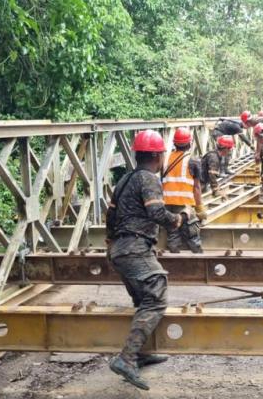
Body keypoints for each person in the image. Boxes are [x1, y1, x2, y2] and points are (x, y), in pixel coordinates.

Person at [106, 130, 187, 391]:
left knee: (141, 300)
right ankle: (126, 358)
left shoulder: (124, 179)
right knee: (156, 294)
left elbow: (110, 215)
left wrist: (112, 243)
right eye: (162, 153)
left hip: (120, 248)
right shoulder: (149, 178)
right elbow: (155, 212)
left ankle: (140, 353)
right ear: (156, 155)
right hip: (134, 247)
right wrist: (177, 220)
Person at [162, 127, 204, 253]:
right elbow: (196, 187)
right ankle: (198, 257)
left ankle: (174, 261)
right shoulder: (193, 160)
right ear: (190, 143)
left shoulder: (165, 158)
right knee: (192, 233)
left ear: (174, 143)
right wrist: (199, 207)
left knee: (172, 235)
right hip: (184, 206)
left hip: (166, 205)